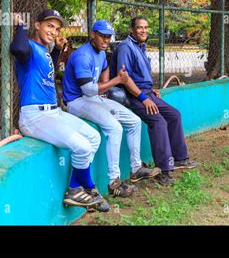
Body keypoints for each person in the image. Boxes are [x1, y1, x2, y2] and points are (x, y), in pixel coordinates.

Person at [10, 9, 109, 211]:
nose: (54, 31)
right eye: (49, 26)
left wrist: (56, 49)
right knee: (82, 146)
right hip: (34, 116)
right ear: (37, 25)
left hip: (53, 112)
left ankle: (74, 188)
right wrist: (21, 26)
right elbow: (18, 50)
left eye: (56, 28)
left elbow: (47, 69)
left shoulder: (43, 51)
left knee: (93, 137)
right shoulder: (28, 47)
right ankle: (89, 187)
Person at [62, 20, 161, 197]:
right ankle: (114, 182)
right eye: (102, 36)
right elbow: (88, 89)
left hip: (93, 98)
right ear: (93, 34)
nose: (105, 40)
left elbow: (105, 68)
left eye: (108, 37)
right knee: (115, 127)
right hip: (76, 101)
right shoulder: (82, 56)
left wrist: (104, 83)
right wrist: (115, 81)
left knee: (134, 121)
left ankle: (136, 168)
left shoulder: (100, 52)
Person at [110, 16, 198, 186]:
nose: (143, 30)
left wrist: (150, 90)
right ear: (132, 30)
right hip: (133, 96)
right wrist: (143, 97)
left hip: (147, 93)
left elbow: (139, 75)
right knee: (158, 122)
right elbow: (125, 78)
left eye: (146, 27)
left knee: (173, 115)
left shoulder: (140, 47)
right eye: (139, 27)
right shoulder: (126, 48)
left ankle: (179, 158)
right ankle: (163, 170)